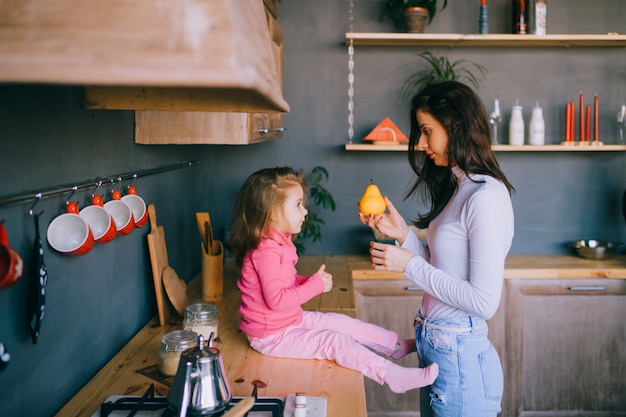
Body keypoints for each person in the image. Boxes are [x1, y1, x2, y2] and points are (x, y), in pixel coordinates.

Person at [360, 81, 514, 416]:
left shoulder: (484, 197)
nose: (423, 144)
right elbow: (444, 268)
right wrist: (404, 237)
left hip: (460, 358)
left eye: (428, 131)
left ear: (455, 126)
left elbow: (483, 302)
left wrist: (408, 265)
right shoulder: (461, 187)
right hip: (440, 350)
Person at [228, 166, 438, 394]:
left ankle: (393, 345)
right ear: (270, 212)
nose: (305, 211)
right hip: (271, 336)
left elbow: (284, 283)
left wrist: (307, 280)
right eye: (298, 204)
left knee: (339, 322)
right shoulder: (265, 252)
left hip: (287, 322)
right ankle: (391, 375)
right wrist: (314, 285)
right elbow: (277, 300)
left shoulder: (278, 242)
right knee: (331, 341)